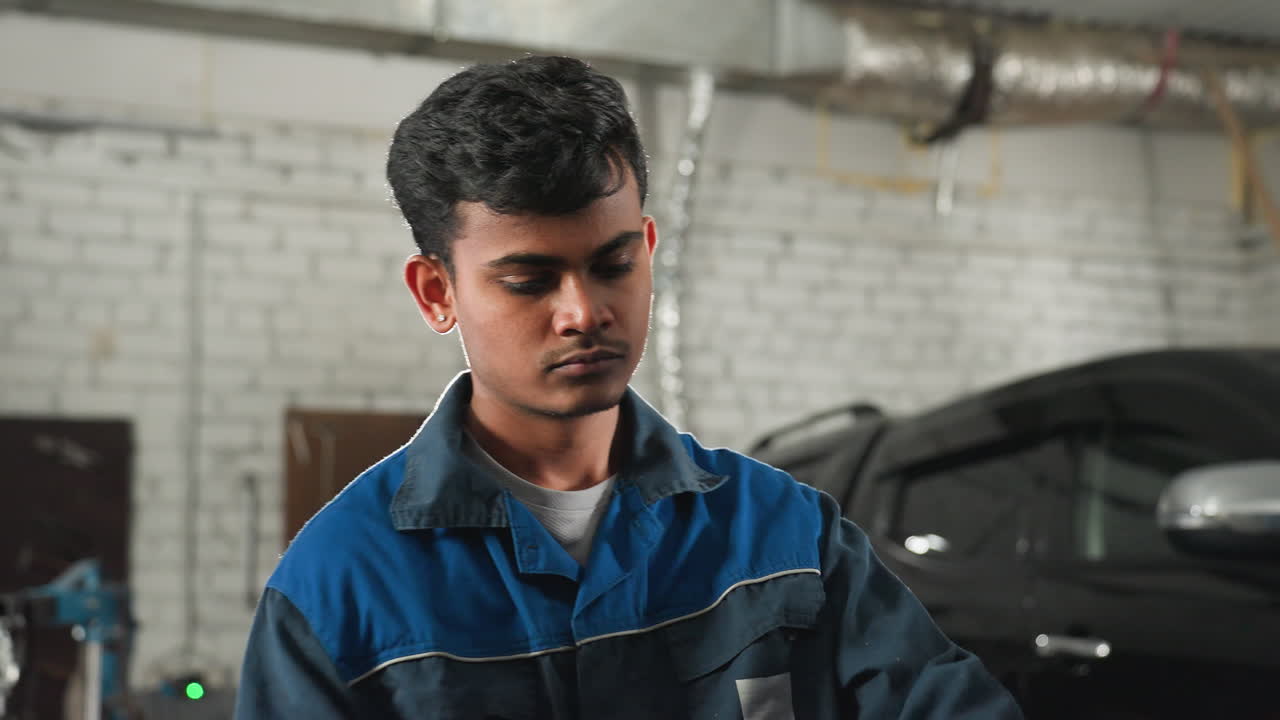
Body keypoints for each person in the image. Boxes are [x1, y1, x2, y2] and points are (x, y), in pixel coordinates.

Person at [234, 55, 1024, 719]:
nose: (583, 312)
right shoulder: (339, 588)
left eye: (614, 265)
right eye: (529, 281)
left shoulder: (786, 539)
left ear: (648, 247)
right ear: (437, 293)